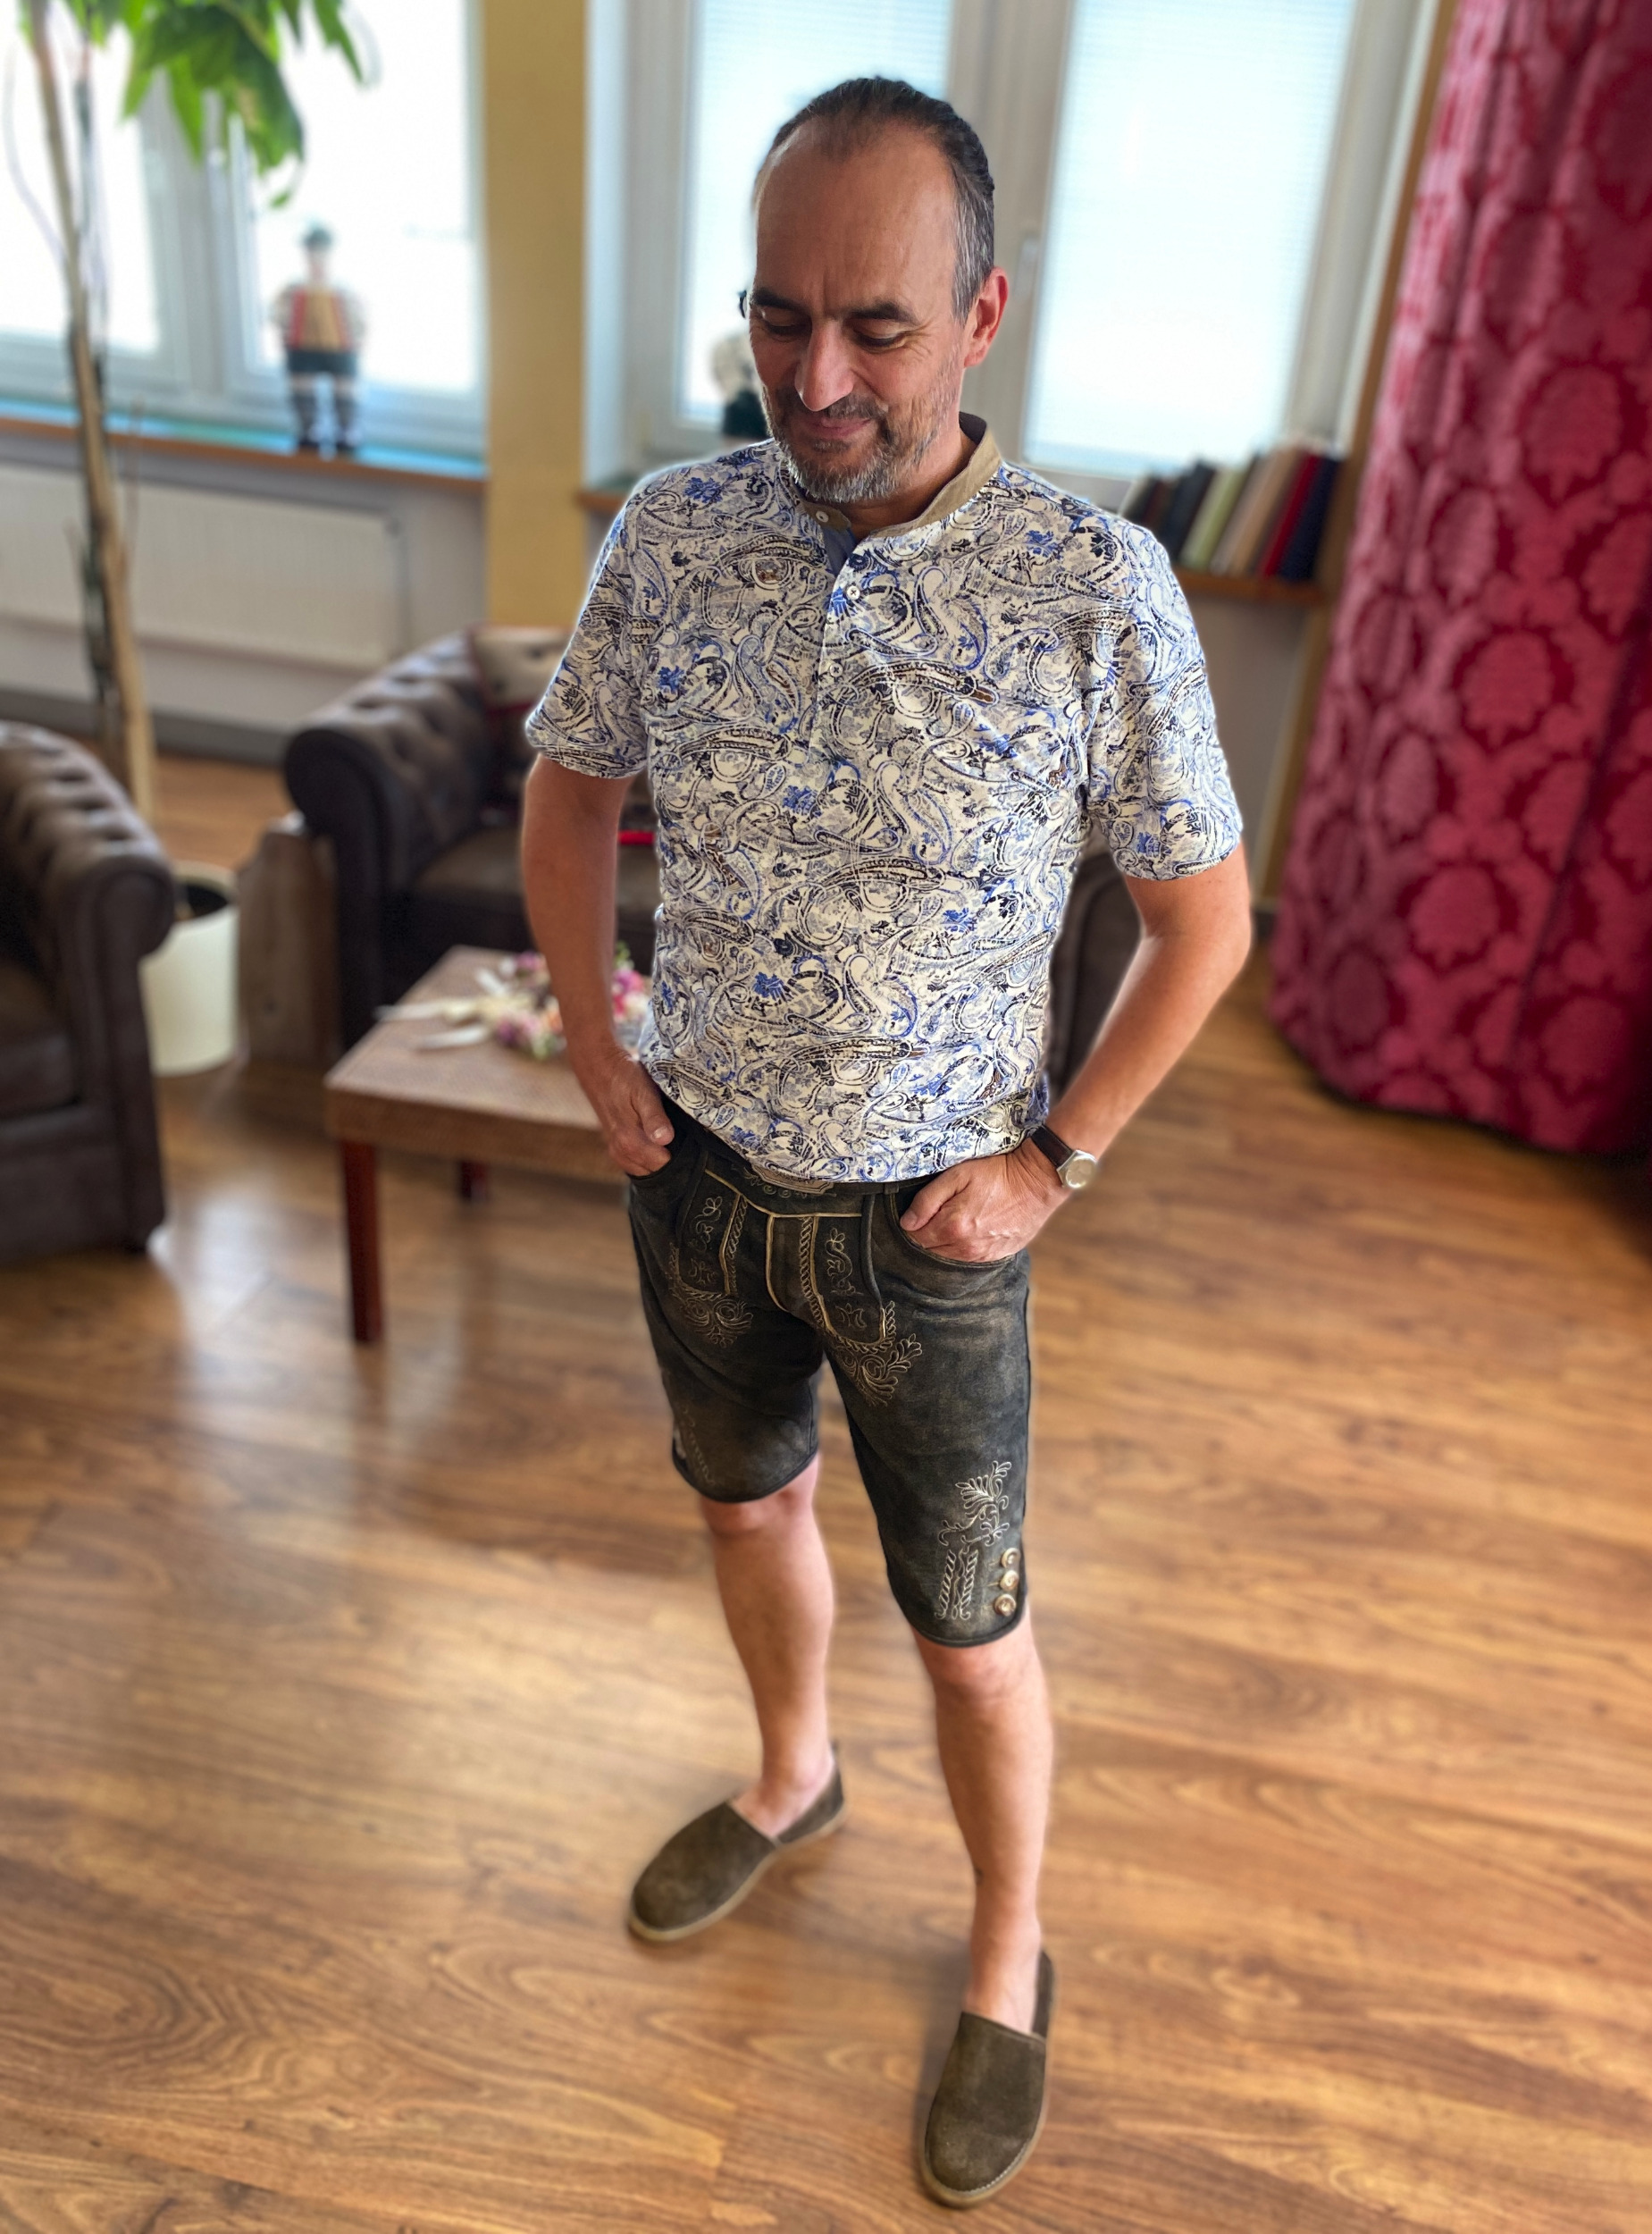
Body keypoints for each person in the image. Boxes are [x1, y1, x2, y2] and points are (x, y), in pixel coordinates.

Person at [521, 75, 1252, 2209]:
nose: (815, 377)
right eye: (777, 317)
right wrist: (595, 1040)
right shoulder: (672, 533)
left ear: (984, 315)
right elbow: (568, 789)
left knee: (969, 1622)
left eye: (876, 327)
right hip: (697, 1181)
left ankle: (1010, 1950)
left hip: (937, 1229)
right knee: (746, 1509)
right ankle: (791, 1774)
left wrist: (1059, 1157)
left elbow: (1205, 924)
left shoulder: (1093, 589)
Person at [271, 223, 365, 456]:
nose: (317, 262)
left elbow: (358, 319)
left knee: (344, 389)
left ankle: (345, 430)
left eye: (322, 255)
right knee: (302, 388)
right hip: (302, 346)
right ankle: (309, 429)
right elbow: (278, 313)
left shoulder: (342, 290)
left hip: (339, 347)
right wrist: (282, 331)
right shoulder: (294, 289)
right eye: (312, 256)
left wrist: (359, 337)